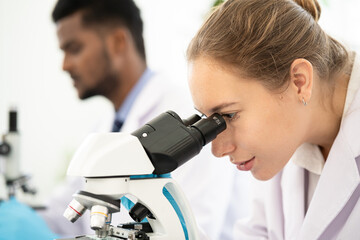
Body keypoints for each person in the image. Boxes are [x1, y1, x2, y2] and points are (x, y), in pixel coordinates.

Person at [39, 0, 251, 239]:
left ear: (118, 42)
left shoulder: (184, 118)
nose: (65, 65)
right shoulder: (104, 127)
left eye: (74, 48)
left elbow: (195, 225)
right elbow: (66, 212)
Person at [186, 0, 360, 239]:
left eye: (229, 115)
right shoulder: (281, 143)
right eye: (209, 120)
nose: (218, 149)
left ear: (299, 81)